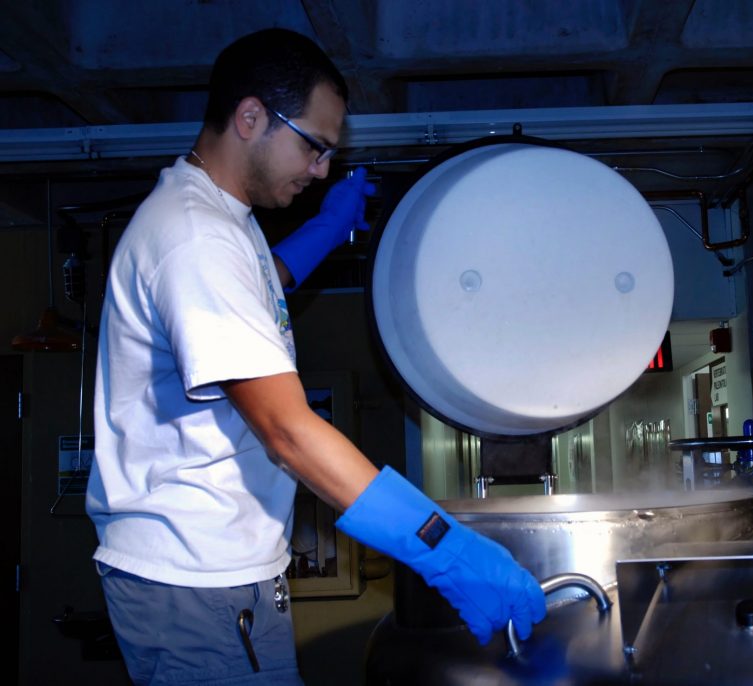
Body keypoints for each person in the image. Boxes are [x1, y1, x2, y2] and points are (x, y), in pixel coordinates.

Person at [85, 28, 545, 685]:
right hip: (194, 581)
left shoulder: (218, 220)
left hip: (217, 574)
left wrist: (329, 228)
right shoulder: (195, 240)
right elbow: (287, 432)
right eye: (314, 146)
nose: (321, 169)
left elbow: (259, 286)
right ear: (251, 118)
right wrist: (448, 550)